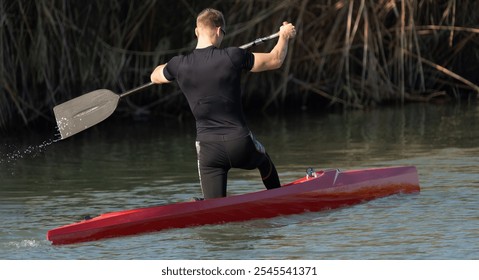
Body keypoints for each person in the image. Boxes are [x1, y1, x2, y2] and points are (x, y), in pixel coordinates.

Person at [150, 8, 296, 199]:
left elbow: (154, 76)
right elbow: (275, 59)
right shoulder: (233, 56)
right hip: (240, 143)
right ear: (219, 31)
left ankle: (208, 210)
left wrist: (170, 68)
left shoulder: (179, 65)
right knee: (264, 161)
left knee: (214, 210)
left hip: (208, 151)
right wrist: (284, 36)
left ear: (196, 32)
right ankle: (279, 200)